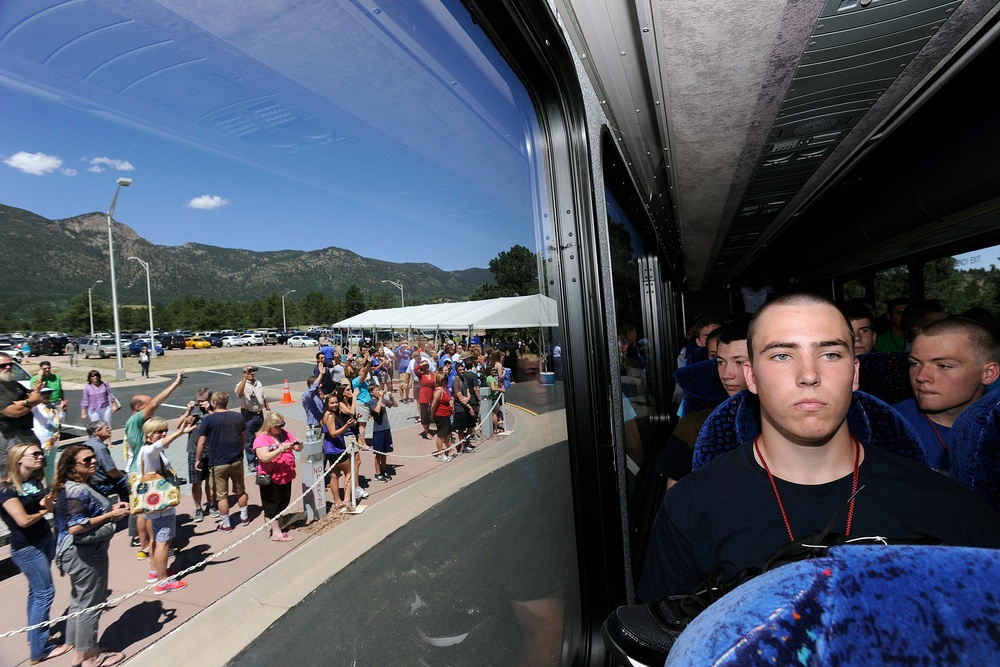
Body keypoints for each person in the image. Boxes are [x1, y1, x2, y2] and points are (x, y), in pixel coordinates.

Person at [638, 293, 1000, 604]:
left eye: (829, 355)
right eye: (782, 355)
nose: (808, 375)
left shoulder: (952, 510)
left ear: (855, 373)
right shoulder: (690, 507)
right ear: (752, 377)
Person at [52, 444, 130, 667]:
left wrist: (111, 509)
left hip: (76, 553)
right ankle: (92, 656)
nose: (93, 461)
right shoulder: (77, 489)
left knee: (79, 601)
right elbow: (76, 526)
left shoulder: (77, 485)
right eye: (86, 460)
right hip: (86, 554)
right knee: (91, 604)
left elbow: (83, 515)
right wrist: (112, 515)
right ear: (73, 468)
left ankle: (79, 651)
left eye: (93, 458)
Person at [893, 317, 1000, 471]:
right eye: (915, 363)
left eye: (943, 366)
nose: (921, 376)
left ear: (989, 373)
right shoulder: (887, 427)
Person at [0, 443, 71, 664]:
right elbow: (22, 520)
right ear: (19, 459)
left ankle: (35, 637)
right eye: (35, 454)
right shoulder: (6, 490)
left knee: (36, 591)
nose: (41, 456)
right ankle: (40, 651)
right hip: (27, 548)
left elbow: (39, 505)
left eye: (40, 453)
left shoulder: (31, 482)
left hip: (43, 540)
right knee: (45, 593)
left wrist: (45, 503)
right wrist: (44, 510)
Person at [660, 322, 750, 488]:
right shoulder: (693, 426)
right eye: (720, 362)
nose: (727, 374)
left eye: (739, 362)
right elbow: (674, 500)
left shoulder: (783, 424)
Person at [124, 369, 186, 559]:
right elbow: (154, 403)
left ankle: (145, 546)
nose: (152, 408)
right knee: (149, 511)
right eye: (147, 405)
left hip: (136, 469)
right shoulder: (136, 421)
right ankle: (152, 546)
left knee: (144, 511)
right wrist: (175, 384)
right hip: (143, 472)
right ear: (137, 408)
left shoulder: (138, 424)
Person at [138, 417, 192, 593]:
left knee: (156, 540)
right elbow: (160, 445)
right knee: (164, 542)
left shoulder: (145, 450)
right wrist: (180, 432)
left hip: (153, 503)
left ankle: (156, 571)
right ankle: (163, 582)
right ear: (148, 434)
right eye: (158, 432)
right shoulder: (150, 451)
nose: (162, 435)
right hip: (161, 504)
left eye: (164, 431)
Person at [196, 391, 248, 533]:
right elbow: (244, 436)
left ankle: (226, 524)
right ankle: (244, 516)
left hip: (218, 462)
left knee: (221, 495)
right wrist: (241, 450)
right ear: (227, 402)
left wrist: (198, 459)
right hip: (236, 459)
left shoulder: (209, 420)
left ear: (214, 403)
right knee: (240, 490)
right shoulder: (238, 417)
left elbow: (201, 442)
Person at [253, 412, 303, 541]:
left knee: (283, 502)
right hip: (270, 477)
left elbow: (297, 448)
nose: (281, 428)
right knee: (272, 504)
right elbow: (263, 457)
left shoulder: (284, 433)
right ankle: (276, 532)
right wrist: (280, 449)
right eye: (278, 426)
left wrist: (299, 444)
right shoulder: (262, 438)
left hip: (286, 475)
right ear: (269, 425)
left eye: (282, 424)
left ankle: (278, 523)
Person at [1, 352, 42, 479]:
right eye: (3, 365)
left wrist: (25, 402)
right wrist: (29, 402)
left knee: (35, 471)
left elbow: (38, 398)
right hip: (7, 437)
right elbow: (14, 412)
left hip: (26, 434)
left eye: (10, 364)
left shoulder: (15, 385)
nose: (8, 367)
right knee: (8, 475)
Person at [177, 389, 215, 522]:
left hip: (211, 451)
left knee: (210, 481)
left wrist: (210, 411)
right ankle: (198, 508)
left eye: (203, 401)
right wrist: (188, 411)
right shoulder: (194, 414)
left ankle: (211, 505)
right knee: (196, 482)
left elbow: (219, 423)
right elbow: (178, 425)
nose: (200, 404)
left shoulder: (214, 413)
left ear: (210, 400)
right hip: (194, 451)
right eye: (198, 401)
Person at [322, 391, 358, 510]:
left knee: (335, 475)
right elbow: (333, 434)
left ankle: (337, 501)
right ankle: (347, 500)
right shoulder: (330, 416)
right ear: (327, 404)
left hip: (330, 450)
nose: (335, 405)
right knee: (350, 472)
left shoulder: (327, 414)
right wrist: (346, 426)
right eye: (332, 403)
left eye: (336, 402)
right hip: (336, 449)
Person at [85, 420, 129, 502]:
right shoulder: (100, 448)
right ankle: (126, 509)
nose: (110, 429)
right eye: (107, 427)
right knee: (127, 481)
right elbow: (111, 471)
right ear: (98, 432)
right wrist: (125, 477)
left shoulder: (87, 444)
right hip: (101, 485)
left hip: (91, 482)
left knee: (123, 472)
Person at [235, 365, 269, 461]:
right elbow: (239, 393)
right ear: (244, 373)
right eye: (249, 371)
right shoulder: (241, 384)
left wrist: (268, 409)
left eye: (253, 371)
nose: (251, 373)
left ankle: (260, 458)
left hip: (259, 414)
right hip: (248, 415)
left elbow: (264, 397)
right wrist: (244, 379)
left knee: (261, 436)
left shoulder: (258, 383)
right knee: (249, 439)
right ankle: (251, 462)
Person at [370, 385, 394, 482]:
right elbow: (377, 411)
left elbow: (394, 405)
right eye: (376, 390)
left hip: (386, 428)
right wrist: (380, 398)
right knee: (378, 453)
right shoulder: (371, 402)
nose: (379, 391)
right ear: (371, 392)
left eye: (379, 389)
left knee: (385, 452)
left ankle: (384, 470)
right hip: (378, 430)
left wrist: (391, 397)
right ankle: (377, 473)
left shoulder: (382, 400)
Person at [430, 369, 454, 462]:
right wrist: (432, 416)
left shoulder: (444, 389)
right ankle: (441, 454)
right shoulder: (439, 391)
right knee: (441, 435)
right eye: (446, 379)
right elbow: (433, 405)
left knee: (447, 434)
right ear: (442, 380)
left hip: (446, 415)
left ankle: (450, 450)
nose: (447, 381)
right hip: (440, 415)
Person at [415, 358, 435, 440]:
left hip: (432, 394)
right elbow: (415, 370)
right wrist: (420, 365)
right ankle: (426, 431)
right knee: (425, 414)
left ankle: (431, 426)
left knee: (432, 412)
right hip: (424, 395)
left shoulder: (431, 374)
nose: (426, 367)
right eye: (424, 365)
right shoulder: (420, 374)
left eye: (427, 365)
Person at [487, 364, 506, 435]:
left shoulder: (488, 378)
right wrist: (500, 389)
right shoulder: (491, 379)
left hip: (493, 398)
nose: (494, 371)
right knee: (494, 413)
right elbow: (493, 388)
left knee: (495, 413)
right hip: (494, 398)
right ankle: (495, 428)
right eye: (492, 370)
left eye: (495, 370)